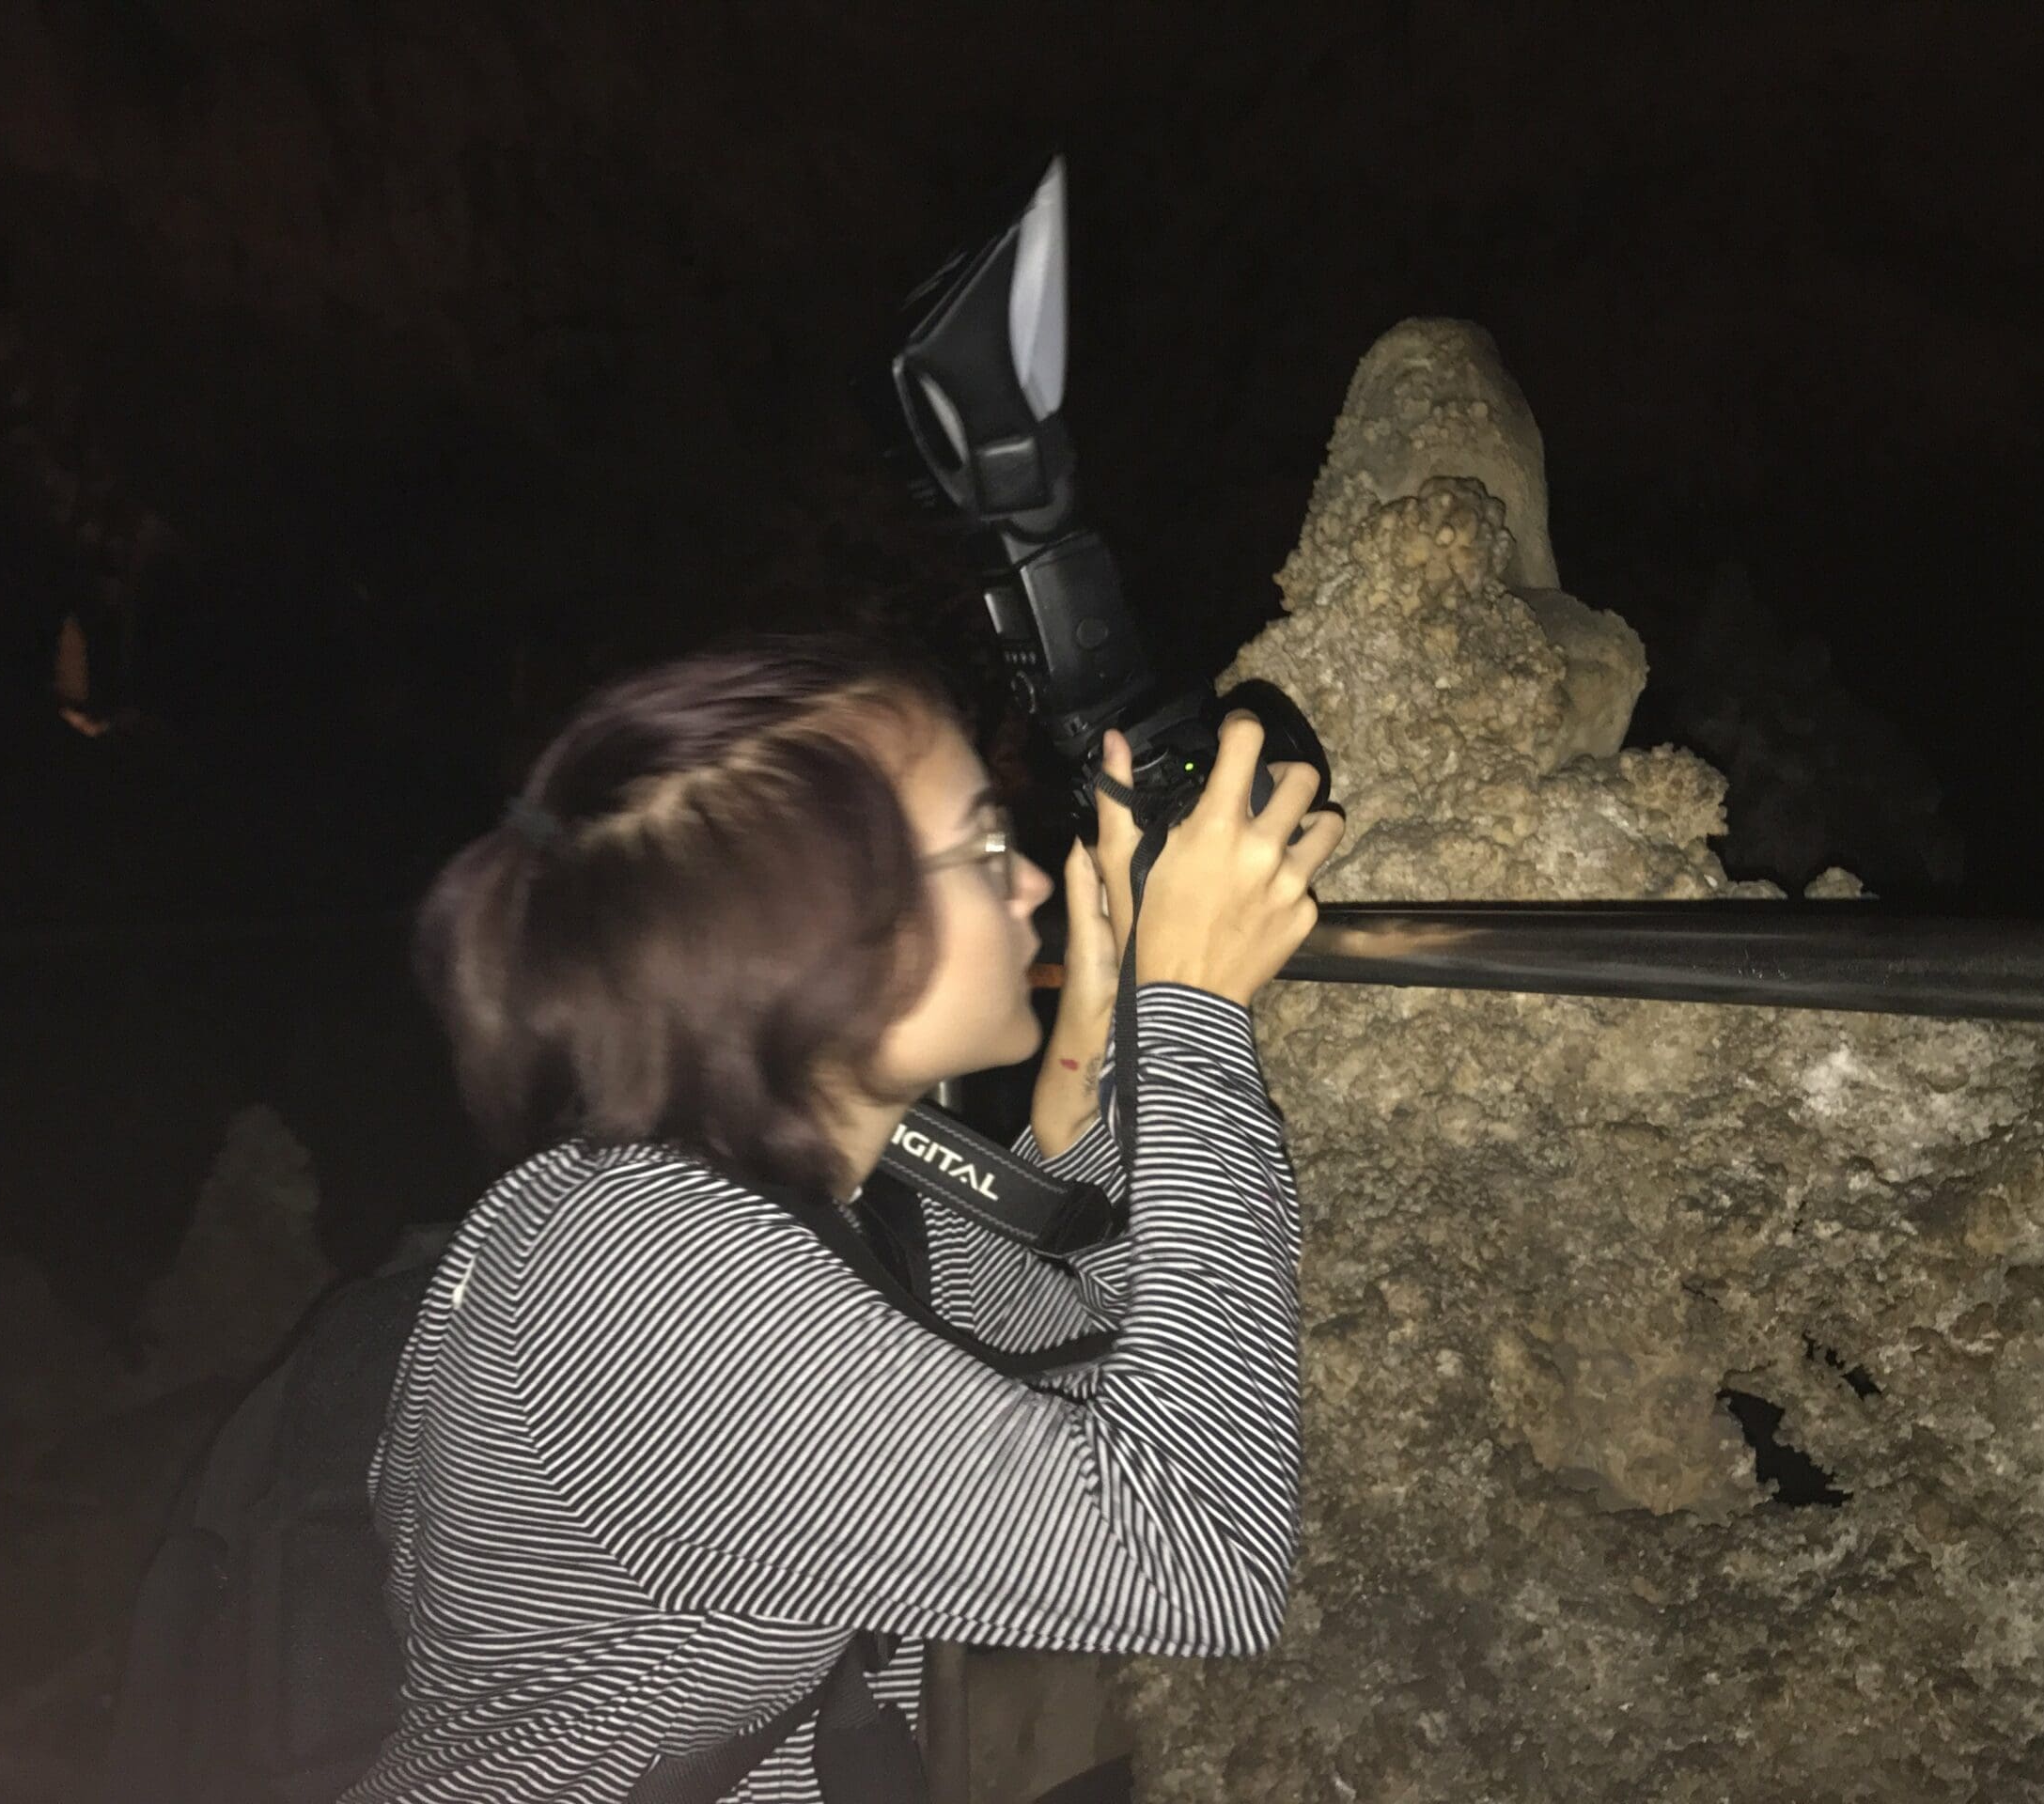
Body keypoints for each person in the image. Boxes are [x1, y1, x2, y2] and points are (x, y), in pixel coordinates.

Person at [345, 629, 1345, 1802]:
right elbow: (1200, 1560)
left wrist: (1100, 1054)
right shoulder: (632, 1273)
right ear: (816, 943)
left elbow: (1086, 1341)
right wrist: (1191, 1012)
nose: (1028, 878)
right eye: (980, 844)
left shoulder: (808, 1189)